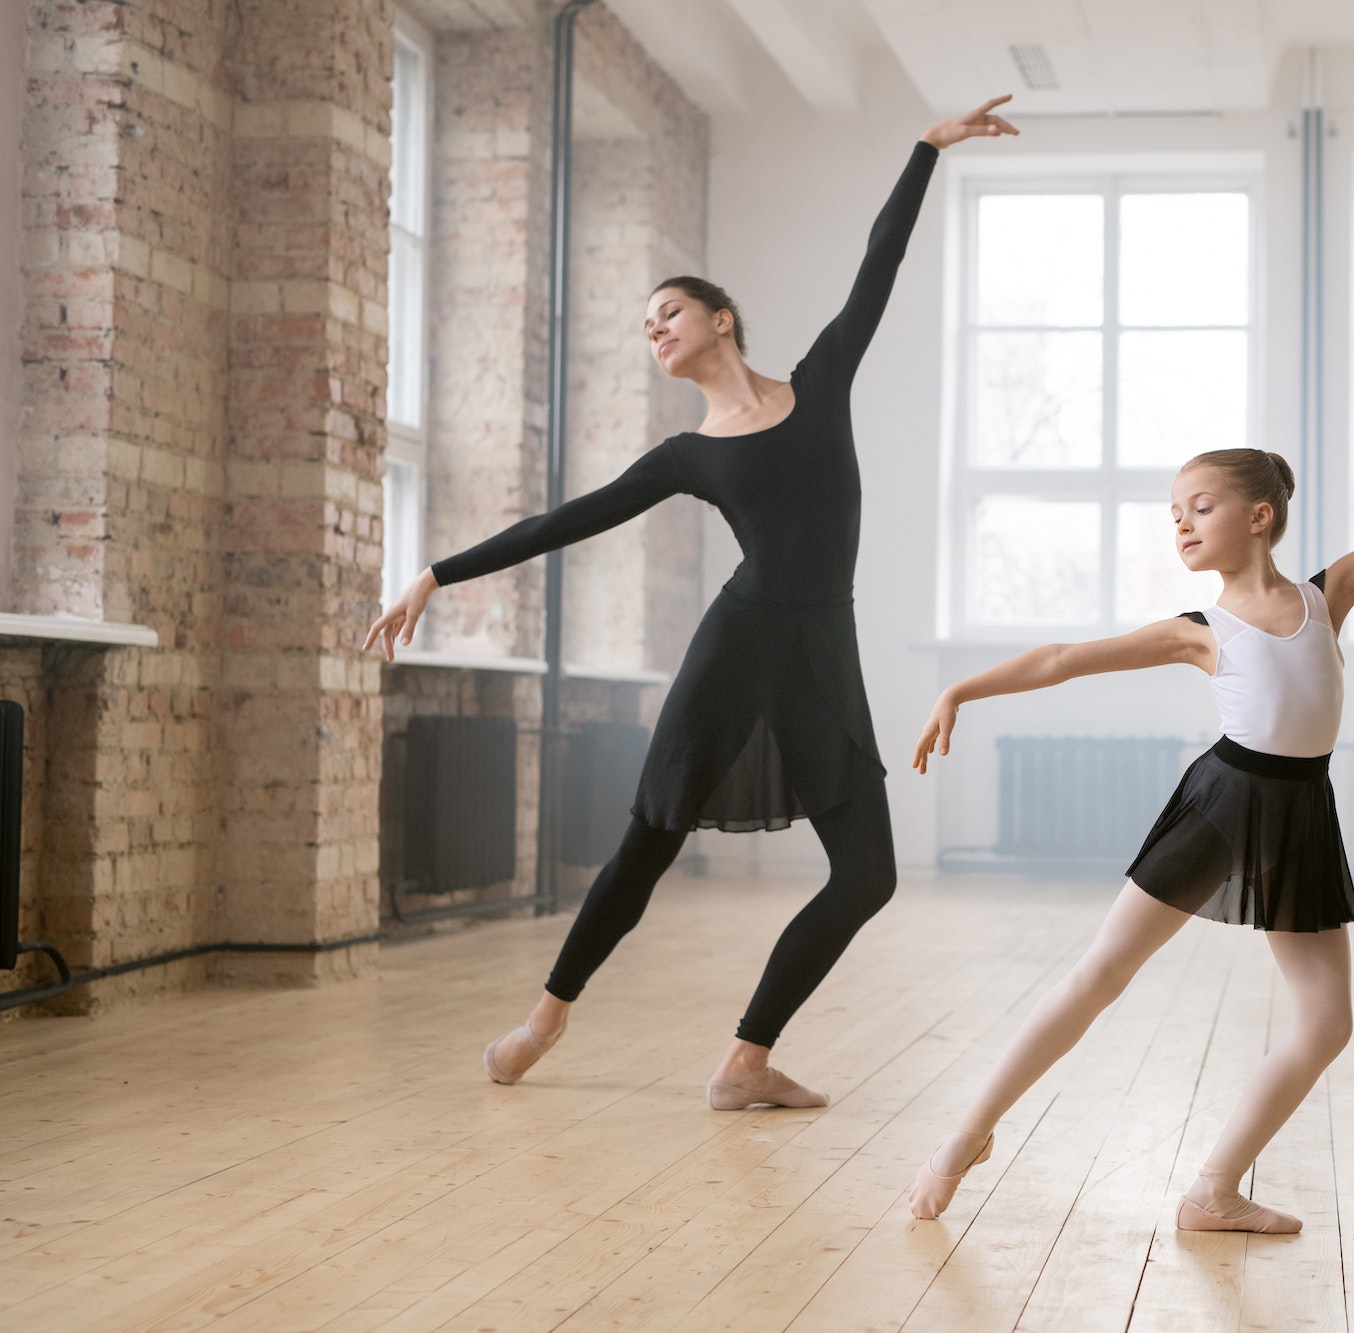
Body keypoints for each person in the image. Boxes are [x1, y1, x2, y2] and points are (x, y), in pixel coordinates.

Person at [364, 97, 1021, 1110]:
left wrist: (924, 150)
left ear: (720, 318)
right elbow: (567, 520)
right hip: (738, 645)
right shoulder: (686, 455)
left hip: (822, 651)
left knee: (868, 874)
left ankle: (744, 1060)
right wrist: (434, 574)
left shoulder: (822, 380)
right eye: (643, 327)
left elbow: (876, 267)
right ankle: (544, 1016)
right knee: (649, 841)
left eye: (666, 312)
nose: (653, 331)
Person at [906, 431, 1354, 1229]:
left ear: (1260, 515)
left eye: (1201, 507)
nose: (1183, 526)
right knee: (1099, 975)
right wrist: (962, 687)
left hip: (1301, 811)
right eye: (1174, 515)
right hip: (1222, 803)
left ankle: (1214, 1190)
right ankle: (965, 1137)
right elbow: (1064, 657)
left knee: (1327, 1021)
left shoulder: (1324, 598)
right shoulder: (1200, 629)